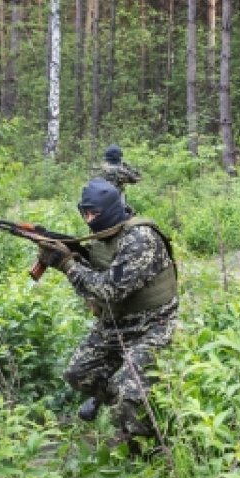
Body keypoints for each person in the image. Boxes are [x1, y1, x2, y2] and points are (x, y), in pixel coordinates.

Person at [36, 178, 178, 453]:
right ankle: (118, 398)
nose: (89, 220)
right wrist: (73, 252)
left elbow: (109, 291)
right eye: (85, 213)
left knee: (127, 392)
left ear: (112, 210)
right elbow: (100, 266)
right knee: (78, 373)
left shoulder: (140, 239)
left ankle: (147, 446)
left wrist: (67, 265)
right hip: (116, 323)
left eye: (94, 214)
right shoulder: (105, 236)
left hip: (153, 325)